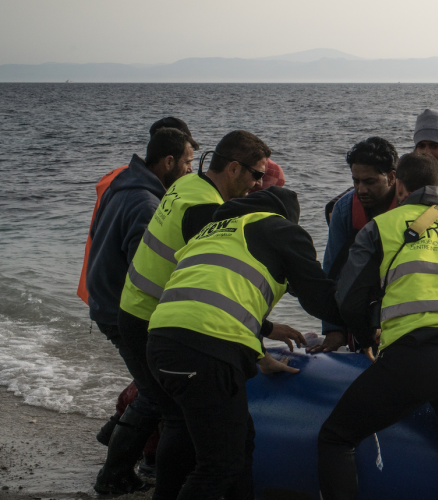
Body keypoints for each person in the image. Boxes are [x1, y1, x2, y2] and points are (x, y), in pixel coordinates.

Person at [117, 130, 303, 500]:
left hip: (143, 312)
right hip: (157, 321)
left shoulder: (190, 186)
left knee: (180, 420)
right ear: (233, 168)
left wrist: (265, 328)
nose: (257, 186)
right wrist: (259, 356)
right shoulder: (206, 211)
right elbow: (214, 293)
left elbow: (205, 291)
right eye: (255, 176)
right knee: (182, 424)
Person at [319, 152, 438, 500]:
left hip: (415, 355)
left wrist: (365, 336)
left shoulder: (381, 226)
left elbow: (348, 297)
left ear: (399, 186)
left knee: (336, 437)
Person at [145, 186, 342, 499]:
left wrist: (262, 345)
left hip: (162, 341)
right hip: (205, 351)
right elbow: (319, 296)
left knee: (238, 442)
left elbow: (214, 294)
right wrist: (360, 323)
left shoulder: (214, 229)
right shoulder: (280, 229)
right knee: (219, 465)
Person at [83, 123, 197, 495]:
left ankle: (114, 443)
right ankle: (113, 475)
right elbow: (144, 275)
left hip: (104, 299)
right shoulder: (148, 205)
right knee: (155, 395)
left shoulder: (123, 184)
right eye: (187, 162)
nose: (190, 170)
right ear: (168, 161)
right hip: (121, 310)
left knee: (151, 389)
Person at [317, 137, 400, 354]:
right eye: (356, 181)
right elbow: (333, 271)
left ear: (391, 177)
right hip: (360, 308)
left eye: (369, 182)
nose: (361, 189)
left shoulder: (410, 208)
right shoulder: (344, 210)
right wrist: (333, 329)